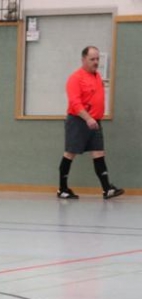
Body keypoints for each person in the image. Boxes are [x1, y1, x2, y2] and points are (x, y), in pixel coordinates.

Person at [57, 46, 123, 200]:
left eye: (97, 59)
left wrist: (94, 118)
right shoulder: (75, 78)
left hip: (95, 122)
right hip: (79, 121)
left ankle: (107, 189)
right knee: (70, 153)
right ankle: (63, 189)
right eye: (92, 59)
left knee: (99, 152)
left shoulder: (97, 76)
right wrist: (87, 118)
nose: (96, 62)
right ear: (83, 60)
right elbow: (75, 103)